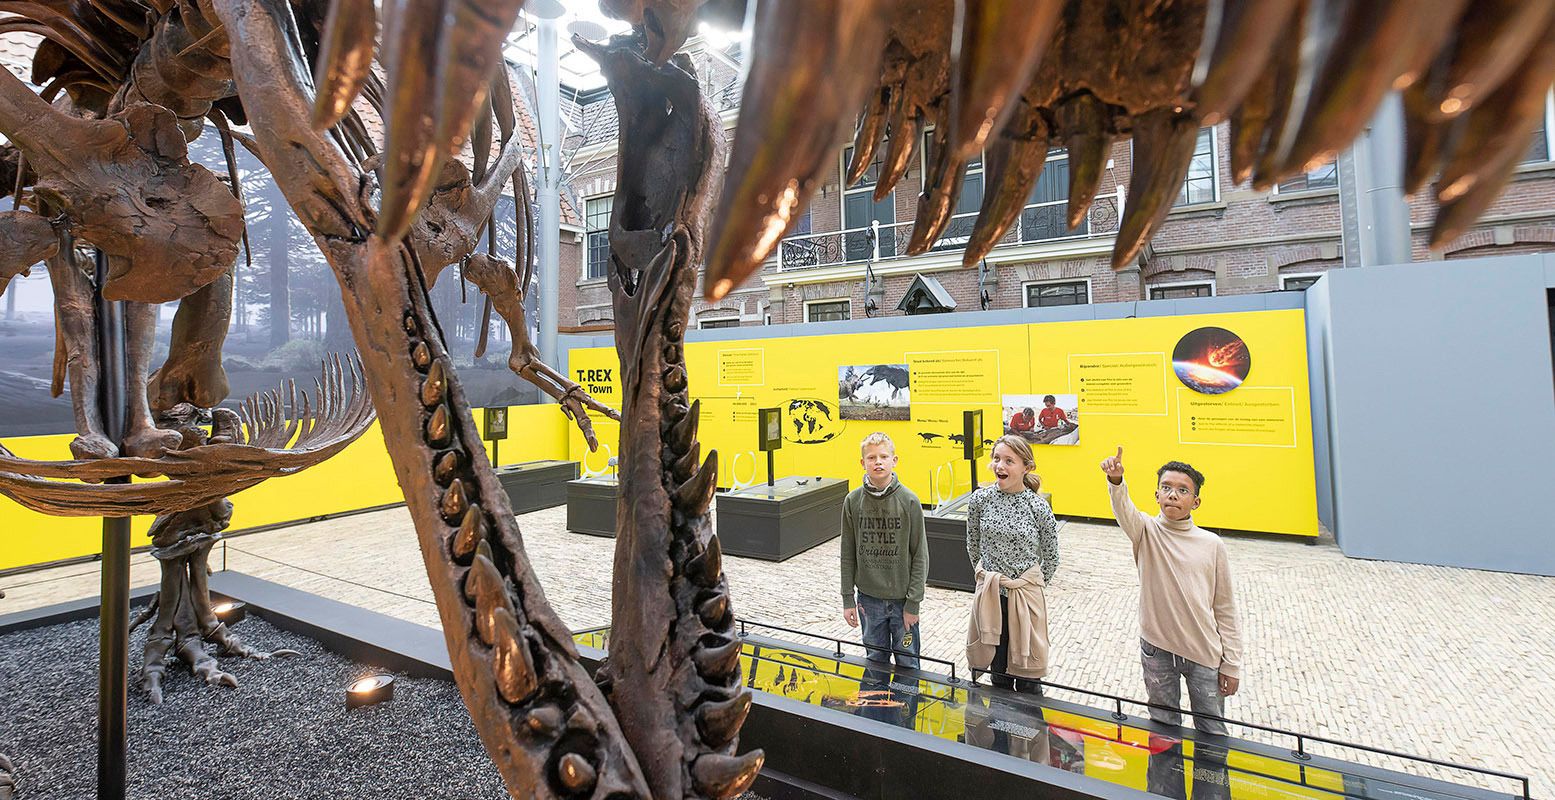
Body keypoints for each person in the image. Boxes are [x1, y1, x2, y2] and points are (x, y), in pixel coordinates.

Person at [1099, 446, 1242, 735]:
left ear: (1196, 501)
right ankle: (1163, 781)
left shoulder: (1212, 545)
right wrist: (1116, 481)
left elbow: (1225, 608)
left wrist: (1232, 664)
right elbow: (1124, 510)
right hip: (1157, 650)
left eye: (1182, 490)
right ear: (1157, 495)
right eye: (1166, 487)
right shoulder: (1146, 531)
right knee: (1163, 729)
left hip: (1204, 653)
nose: (1173, 494)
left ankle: (1211, 781)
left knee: (1212, 731)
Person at [966, 435, 1059, 693]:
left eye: (1009, 460)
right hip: (992, 595)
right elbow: (973, 543)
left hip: (1025, 599)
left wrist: (1032, 585)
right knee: (998, 672)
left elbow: (1051, 555)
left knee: (1029, 675)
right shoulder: (980, 500)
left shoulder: (1037, 506)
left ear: (1026, 467)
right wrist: (985, 578)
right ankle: (1000, 731)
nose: (1000, 466)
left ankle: (1030, 731)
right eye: (996, 459)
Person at [841, 432, 928, 671]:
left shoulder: (909, 501)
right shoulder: (852, 501)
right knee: (874, 663)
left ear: (894, 460)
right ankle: (875, 709)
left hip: (902, 603)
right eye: (871, 457)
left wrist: (913, 604)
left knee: (908, 663)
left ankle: (907, 710)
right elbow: (847, 552)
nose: (877, 462)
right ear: (863, 463)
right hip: (868, 602)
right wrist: (848, 598)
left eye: (883, 456)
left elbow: (920, 555)